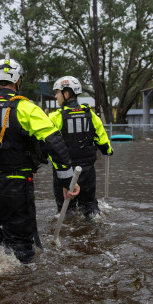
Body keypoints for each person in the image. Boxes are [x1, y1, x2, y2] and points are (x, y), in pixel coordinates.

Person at [0, 56, 79, 263]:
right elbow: (55, 143)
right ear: (18, 81)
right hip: (16, 188)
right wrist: (67, 182)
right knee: (21, 249)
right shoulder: (28, 108)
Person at [49, 76, 113, 218]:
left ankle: (69, 232)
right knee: (89, 204)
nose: (55, 96)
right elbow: (104, 144)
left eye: (57, 92)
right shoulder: (91, 115)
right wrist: (109, 150)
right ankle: (95, 225)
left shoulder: (55, 117)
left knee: (66, 210)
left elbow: (46, 144)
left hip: (64, 172)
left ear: (66, 94)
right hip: (87, 172)